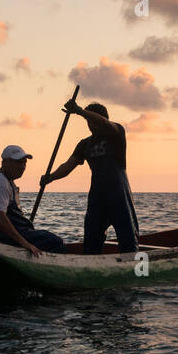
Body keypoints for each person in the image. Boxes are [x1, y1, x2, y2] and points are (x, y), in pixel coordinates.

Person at [41, 100, 139, 254]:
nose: (90, 124)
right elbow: (68, 165)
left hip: (119, 195)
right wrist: (50, 177)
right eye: (88, 121)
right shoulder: (84, 144)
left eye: (92, 120)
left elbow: (104, 123)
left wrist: (79, 111)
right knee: (92, 240)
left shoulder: (116, 133)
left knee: (127, 239)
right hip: (97, 196)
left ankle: (132, 264)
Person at [0, 144, 66, 256]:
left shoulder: (7, 181)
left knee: (46, 237)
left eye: (24, 163)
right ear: (4, 162)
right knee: (56, 242)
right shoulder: (0, 182)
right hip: (6, 239)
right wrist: (25, 244)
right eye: (18, 162)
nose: (22, 167)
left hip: (17, 233)